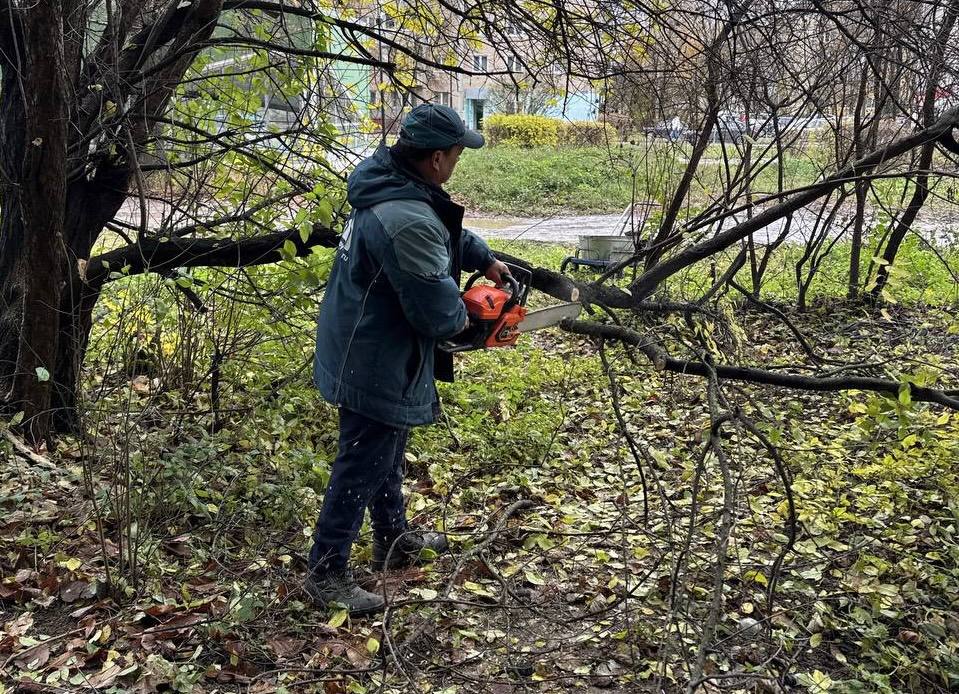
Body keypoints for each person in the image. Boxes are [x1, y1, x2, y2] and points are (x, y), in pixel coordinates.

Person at [306, 103, 510, 614]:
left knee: (386, 447)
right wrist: (469, 320)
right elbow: (435, 311)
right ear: (437, 158)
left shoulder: (391, 181)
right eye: (458, 154)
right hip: (373, 351)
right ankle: (325, 571)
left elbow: (442, 231)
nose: (459, 162)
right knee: (363, 461)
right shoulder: (405, 216)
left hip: (362, 335)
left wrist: (482, 257)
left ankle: (393, 538)